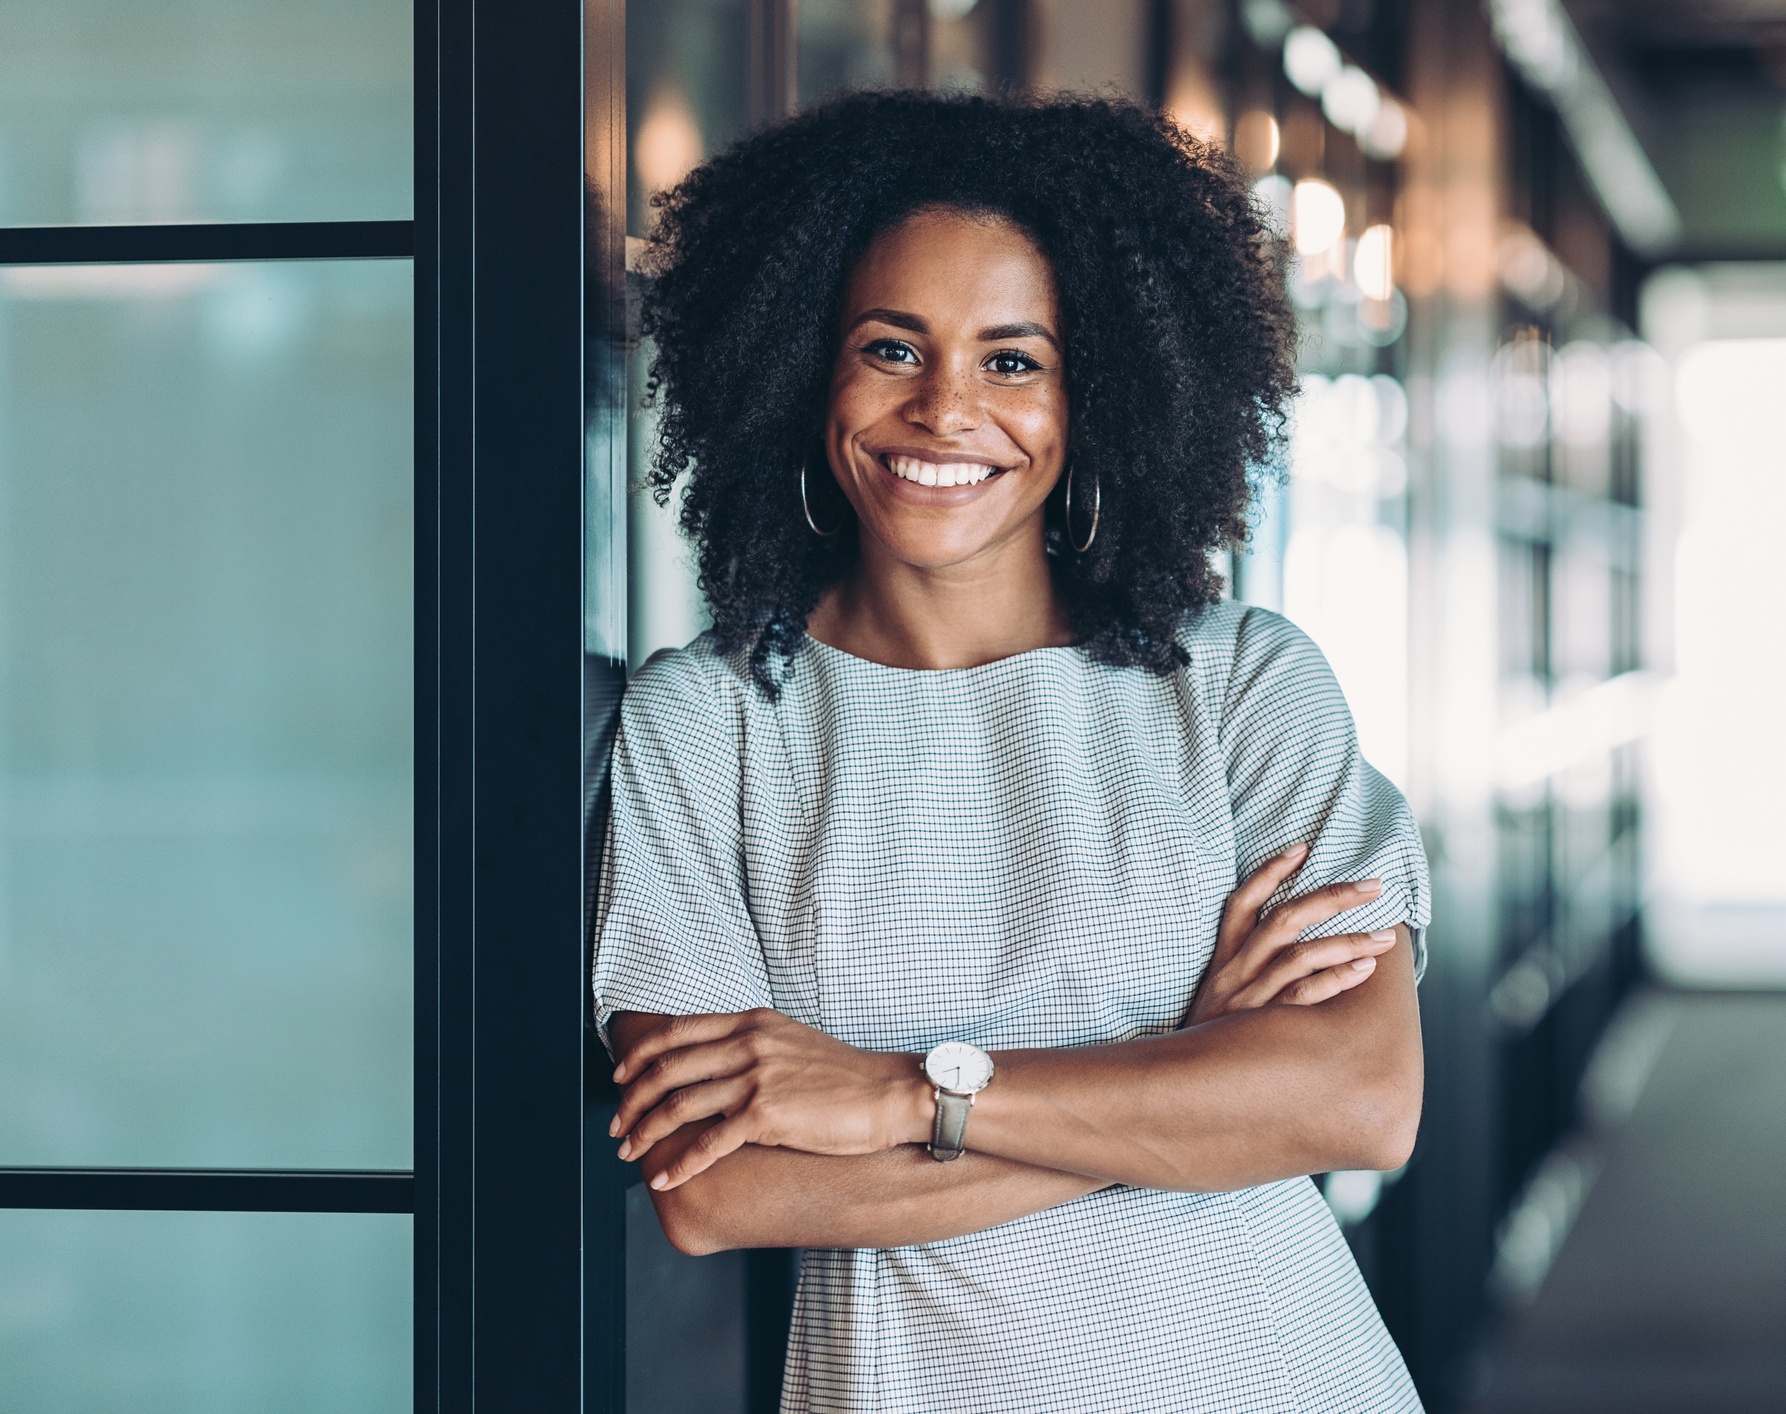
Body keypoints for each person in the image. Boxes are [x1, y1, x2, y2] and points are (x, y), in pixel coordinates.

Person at [593, 90, 1430, 1413]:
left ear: (1095, 394)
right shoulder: (706, 727)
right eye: (888, 346)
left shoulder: (1240, 686)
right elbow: (718, 1189)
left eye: (1012, 359)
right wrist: (1193, 1077)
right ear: (804, 364)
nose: (942, 409)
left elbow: (1359, 1096)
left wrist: (900, 1096)